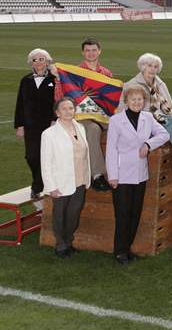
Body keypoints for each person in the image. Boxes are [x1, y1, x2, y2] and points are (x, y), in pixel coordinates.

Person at [117, 53, 172, 182]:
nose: (152, 69)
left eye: (155, 66)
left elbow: (170, 105)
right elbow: (121, 110)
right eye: (149, 66)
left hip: (161, 119)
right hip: (142, 123)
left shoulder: (160, 84)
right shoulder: (131, 85)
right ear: (142, 67)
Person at [106, 85, 170, 265]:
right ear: (126, 101)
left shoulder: (148, 117)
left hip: (140, 174)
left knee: (135, 213)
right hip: (121, 174)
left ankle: (128, 248)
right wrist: (112, 175)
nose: (137, 102)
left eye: (140, 99)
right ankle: (119, 252)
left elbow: (164, 134)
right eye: (133, 99)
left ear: (144, 101)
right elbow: (111, 149)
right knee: (123, 214)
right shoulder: (116, 121)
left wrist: (148, 145)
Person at [53, 37, 114, 191]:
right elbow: (61, 96)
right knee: (92, 130)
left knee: (124, 128)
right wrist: (59, 78)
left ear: (99, 51)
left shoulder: (106, 72)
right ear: (82, 52)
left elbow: (112, 96)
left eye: (94, 50)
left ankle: (123, 172)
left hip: (104, 115)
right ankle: (97, 175)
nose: (91, 53)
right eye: (87, 50)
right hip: (83, 116)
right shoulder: (73, 73)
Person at [40, 97, 91, 259]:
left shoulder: (81, 128)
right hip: (60, 181)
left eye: (71, 108)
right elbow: (45, 162)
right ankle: (61, 245)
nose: (68, 111)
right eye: (64, 109)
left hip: (80, 178)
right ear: (57, 112)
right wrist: (51, 185)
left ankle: (69, 241)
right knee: (60, 214)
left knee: (74, 213)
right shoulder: (49, 134)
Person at [14, 48, 57, 200]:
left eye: (41, 59)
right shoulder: (25, 80)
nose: (38, 62)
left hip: (50, 125)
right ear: (30, 63)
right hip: (31, 125)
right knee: (31, 156)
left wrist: (55, 120)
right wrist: (19, 125)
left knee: (49, 156)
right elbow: (20, 103)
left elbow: (59, 101)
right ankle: (38, 181)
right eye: (35, 60)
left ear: (48, 61)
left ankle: (40, 186)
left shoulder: (55, 79)